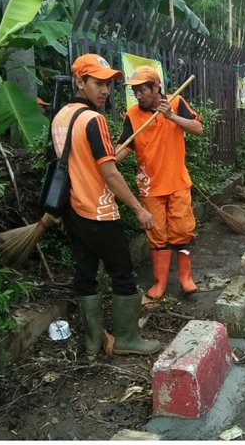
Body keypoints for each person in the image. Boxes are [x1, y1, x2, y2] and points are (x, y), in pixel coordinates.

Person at [51, 54, 156, 357]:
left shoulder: (60, 116)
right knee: (122, 273)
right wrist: (138, 208)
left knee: (85, 274)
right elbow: (109, 173)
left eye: (108, 84)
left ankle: (92, 341)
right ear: (79, 82)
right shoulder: (93, 120)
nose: (105, 90)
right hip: (99, 212)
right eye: (98, 83)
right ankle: (126, 339)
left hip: (73, 212)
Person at [115, 64, 203, 302]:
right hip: (150, 186)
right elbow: (125, 145)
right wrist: (108, 160)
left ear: (156, 87)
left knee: (183, 232)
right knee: (156, 235)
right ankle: (160, 282)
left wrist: (171, 117)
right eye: (135, 91)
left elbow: (198, 128)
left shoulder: (176, 102)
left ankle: (186, 278)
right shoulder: (132, 115)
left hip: (177, 183)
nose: (138, 95)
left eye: (142, 90)